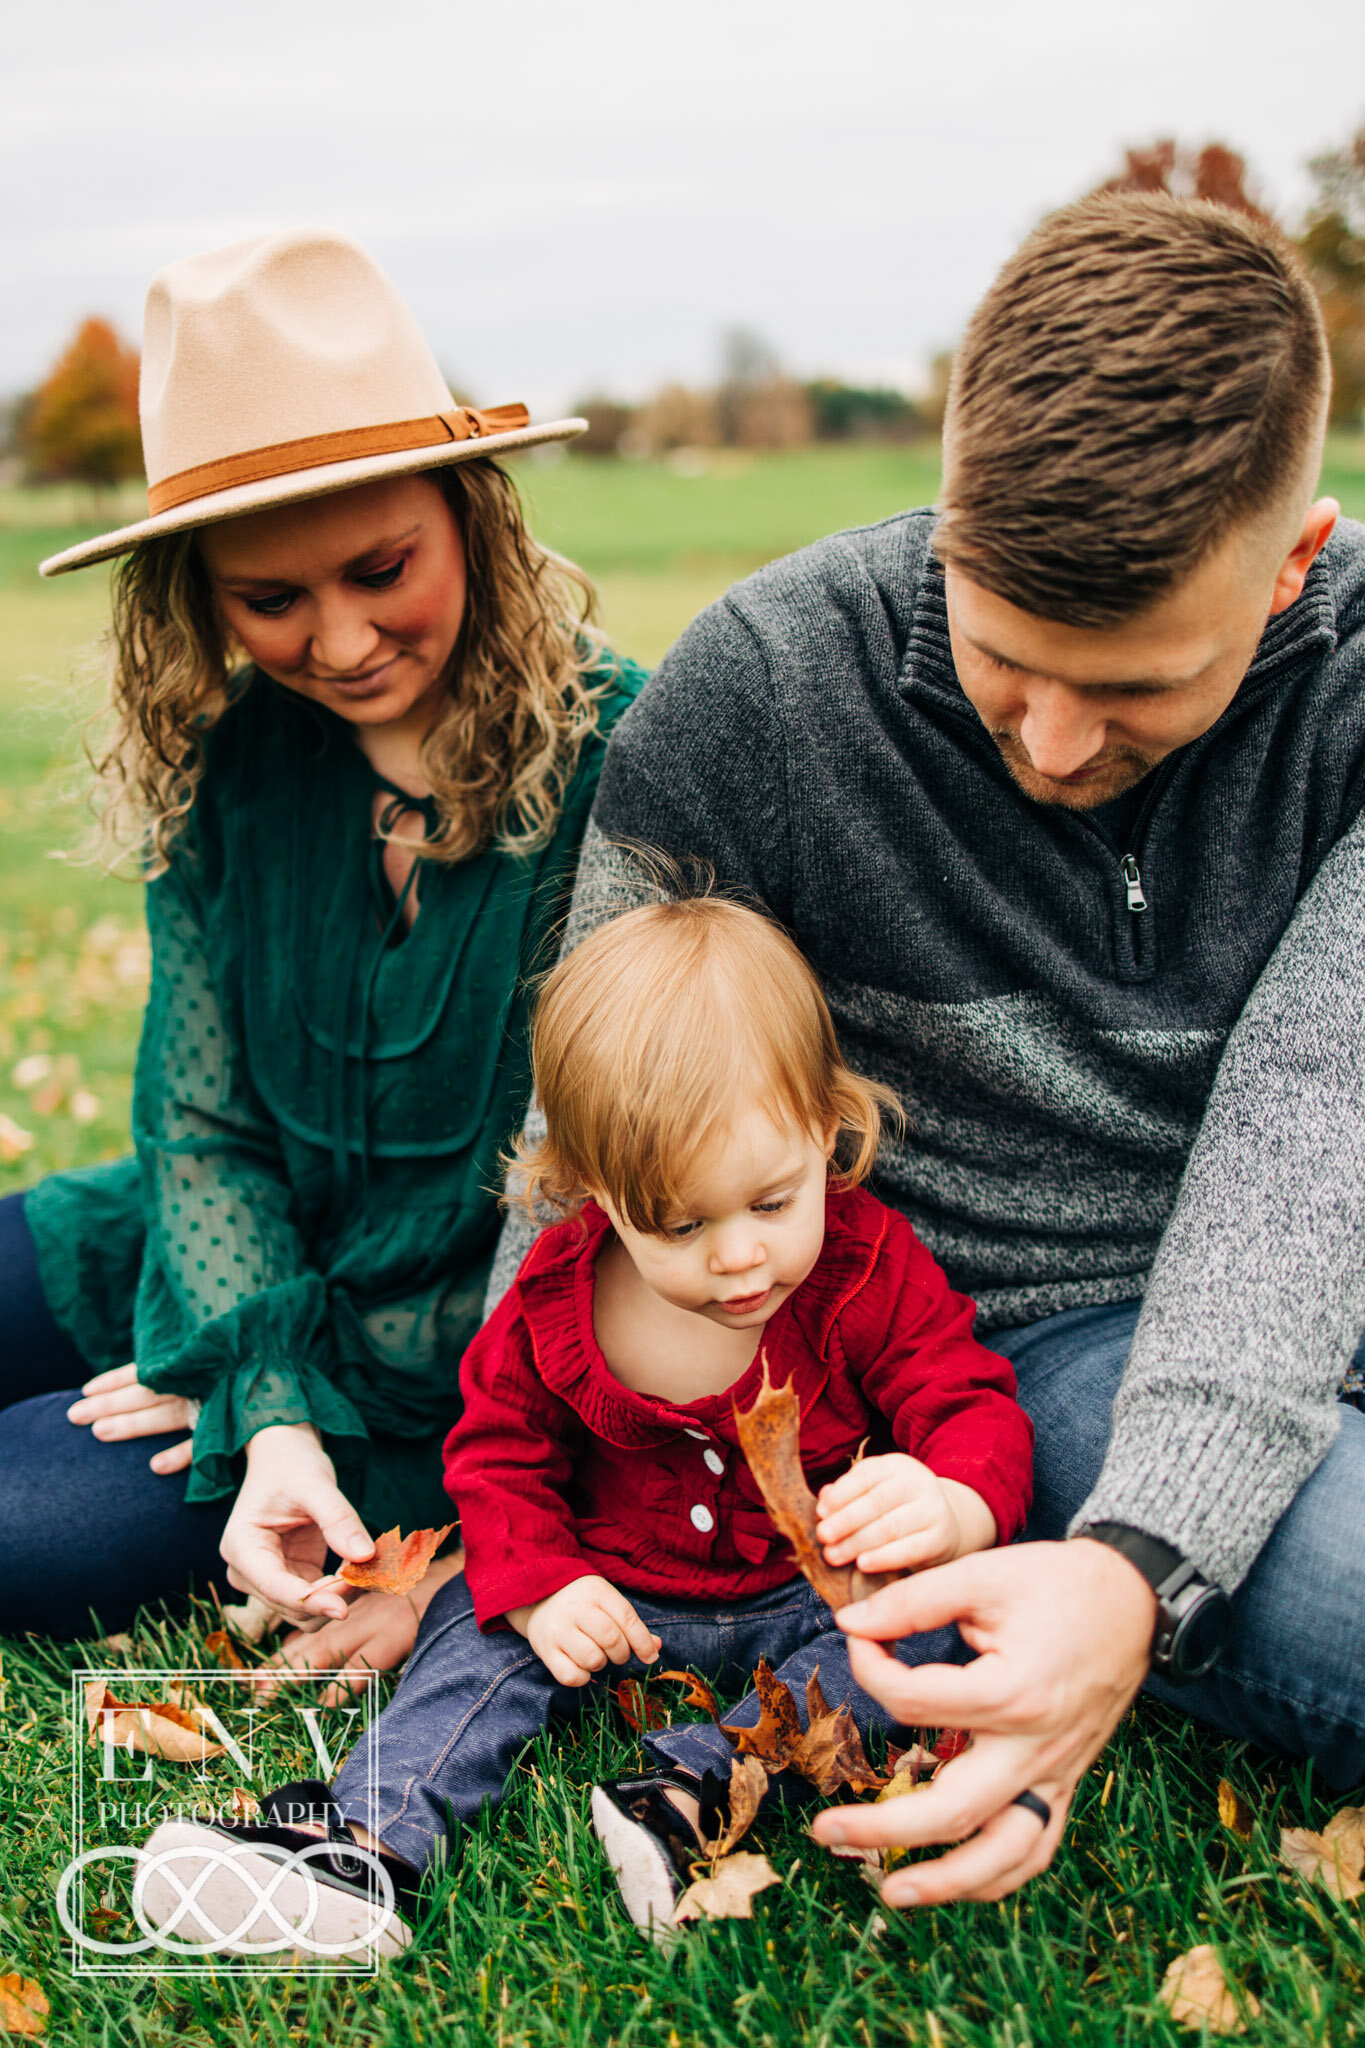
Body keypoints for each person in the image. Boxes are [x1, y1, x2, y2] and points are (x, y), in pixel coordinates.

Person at [485, 192, 1365, 1910]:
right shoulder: (759, 692)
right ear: (947, 523)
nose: (1049, 741)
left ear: (1294, 564)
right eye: (1004, 660)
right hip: (1051, 1340)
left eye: (1136, 688)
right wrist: (1132, 1558)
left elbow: (1320, 1110)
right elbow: (586, 1127)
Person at [135, 893, 1034, 1953]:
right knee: (477, 1623)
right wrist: (544, 1581)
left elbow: (964, 1394)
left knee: (927, 1621)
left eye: (772, 1200)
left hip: (810, 1592)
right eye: (681, 1223)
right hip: (613, 1597)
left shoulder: (864, 1266)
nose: (740, 1254)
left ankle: (689, 1784)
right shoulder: (558, 1295)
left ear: (824, 1125)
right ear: (595, 1190)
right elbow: (495, 1451)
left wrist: (953, 1497)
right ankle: (363, 1842)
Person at [0, 227, 645, 1642]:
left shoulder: (625, 761)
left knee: (20, 1520)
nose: (341, 642)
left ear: (470, 514)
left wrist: (290, 1435)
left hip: (443, 1364)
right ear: (197, 596)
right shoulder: (236, 766)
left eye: (380, 568)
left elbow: (599, 1201)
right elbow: (203, 1124)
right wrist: (260, 1380)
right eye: (270, 600)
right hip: (220, 1259)